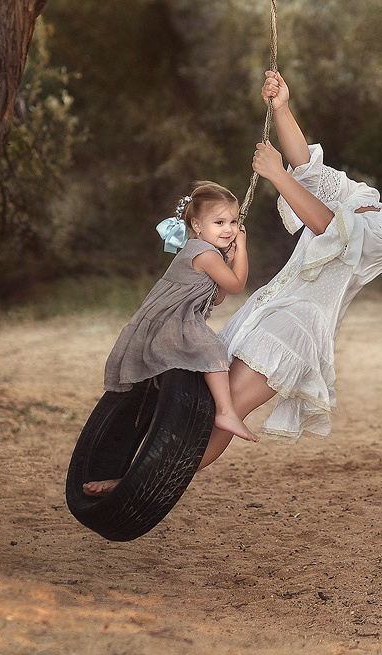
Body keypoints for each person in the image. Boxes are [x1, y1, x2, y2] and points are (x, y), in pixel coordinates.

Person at [197, 69, 382, 469]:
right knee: (204, 402)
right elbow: (309, 170)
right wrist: (282, 108)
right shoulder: (363, 197)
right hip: (268, 307)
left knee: (224, 413)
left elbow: (330, 227)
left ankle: (149, 485)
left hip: (294, 330)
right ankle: (138, 476)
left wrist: (276, 174)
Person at [82, 181, 255, 497]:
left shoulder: (205, 251)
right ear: (197, 226)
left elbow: (216, 298)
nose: (229, 229)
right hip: (171, 324)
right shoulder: (204, 253)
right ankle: (225, 411)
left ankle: (218, 410)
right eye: (219, 222)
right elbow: (236, 285)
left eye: (233, 222)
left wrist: (229, 259)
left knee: (209, 350)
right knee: (213, 350)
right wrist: (242, 248)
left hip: (172, 321)